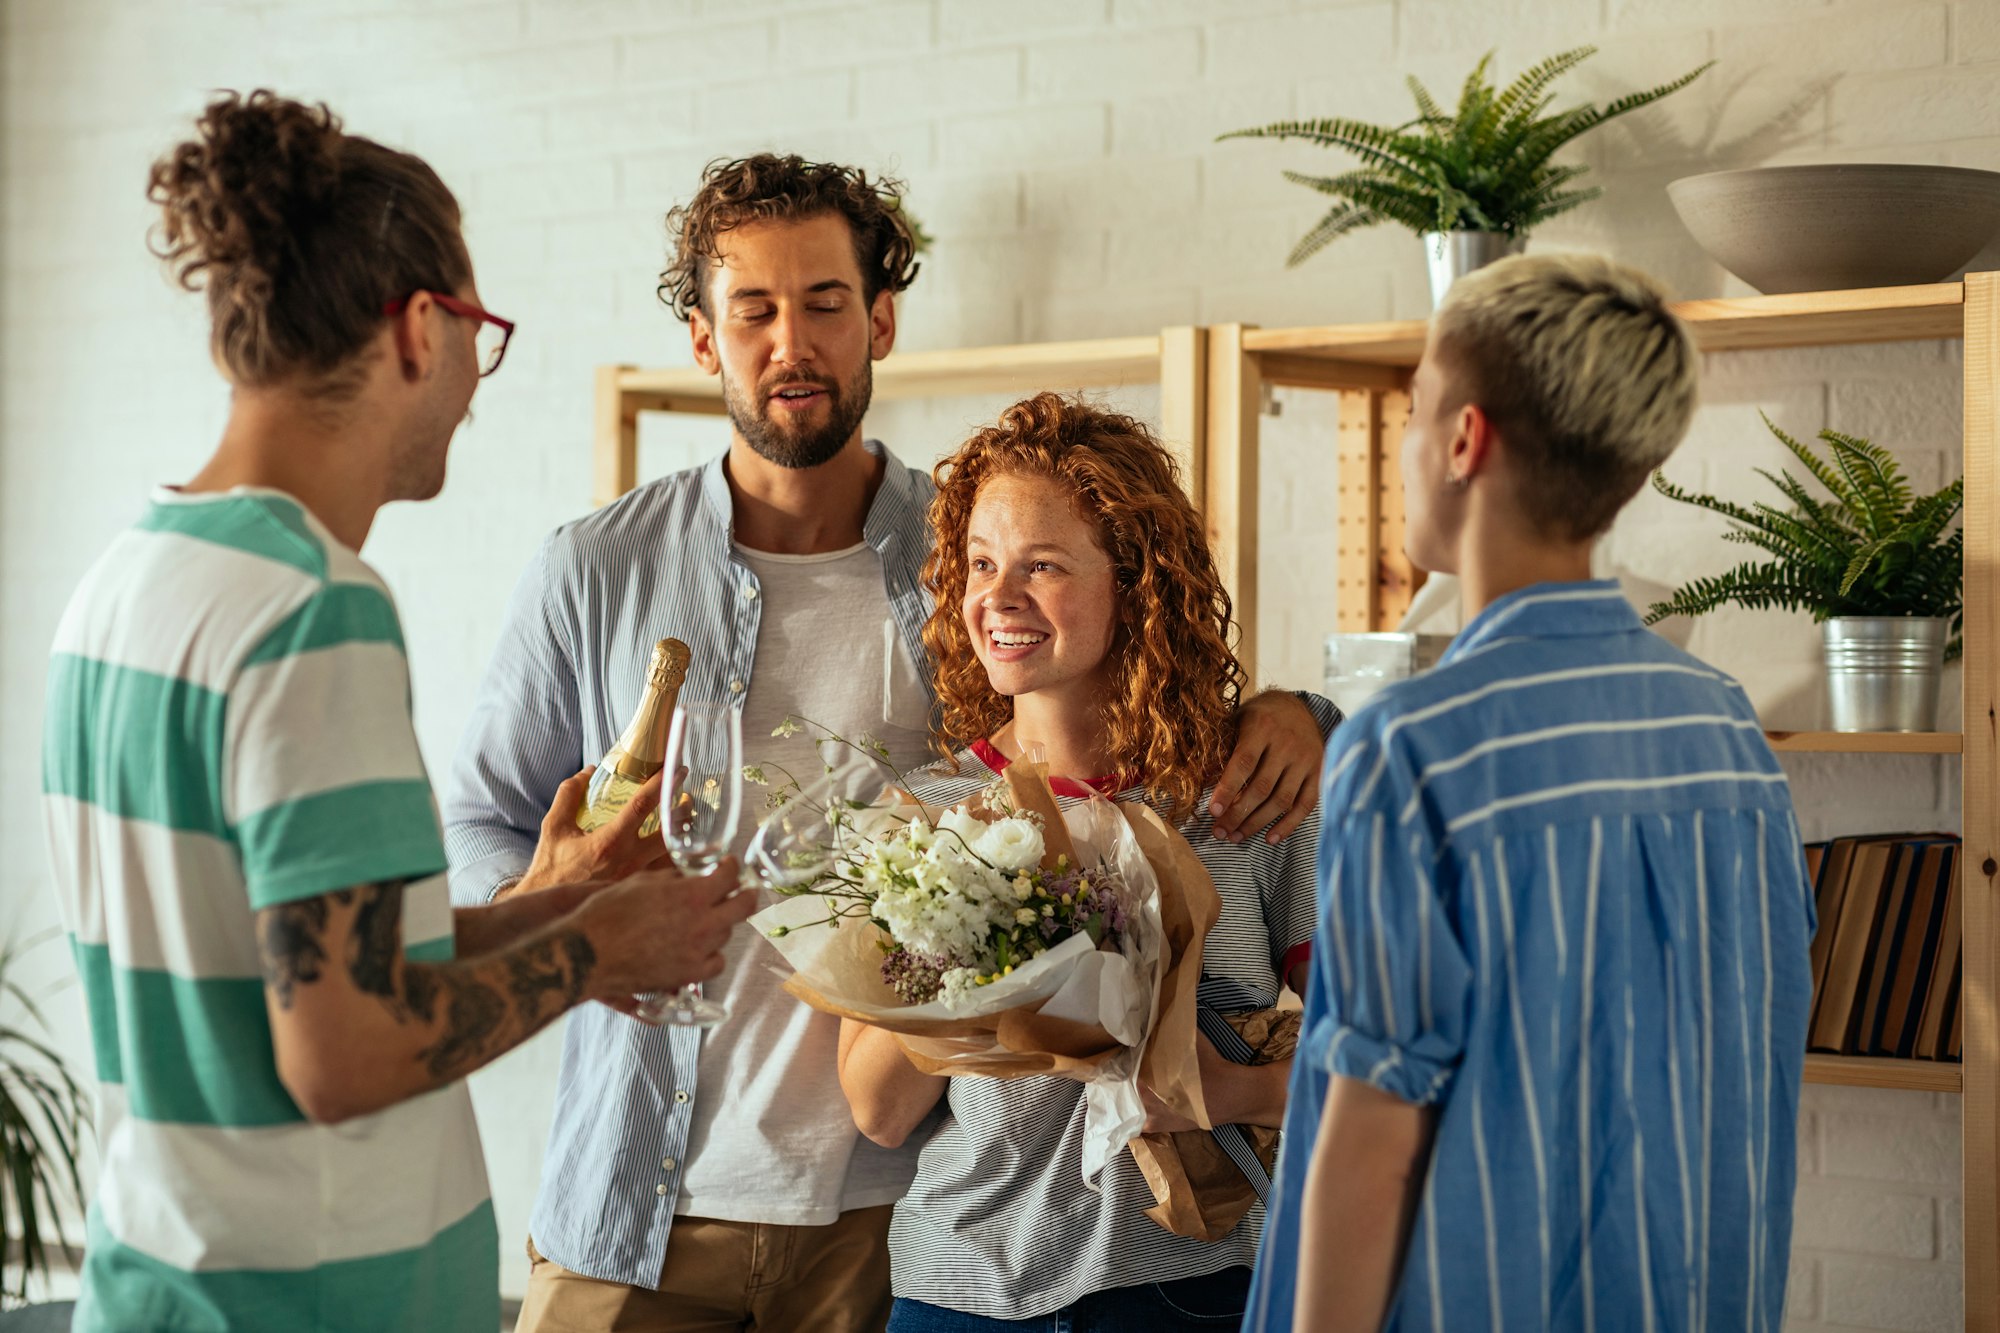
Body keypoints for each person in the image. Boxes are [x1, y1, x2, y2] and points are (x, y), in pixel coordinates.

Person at [442, 154, 1330, 1331]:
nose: (790, 341)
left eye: (823, 302)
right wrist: (574, 933)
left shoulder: (967, 536)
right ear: (704, 340)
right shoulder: (597, 568)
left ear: (880, 320)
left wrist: (1302, 714)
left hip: (894, 1210)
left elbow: (1133, 690)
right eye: (751, 309)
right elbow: (476, 819)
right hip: (641, 1194)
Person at [40, 90, 757, 1333]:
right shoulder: (315, 609)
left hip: (162, 1286)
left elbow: (283, 975)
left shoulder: (126, 582)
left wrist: (551, 907)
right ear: (423, 327)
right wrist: (605, 948)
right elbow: (348, 1055)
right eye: (481, 332)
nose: (476, 377)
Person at [1243, 253, 1815, 1333]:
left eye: (1412, 409)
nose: (1410, 444)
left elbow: (1370, 1132)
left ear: (1462, 440)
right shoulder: (1725, 729)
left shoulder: (1412, 748)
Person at [836, 392, 1341, 1331]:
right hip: (961, 1292)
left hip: (1189, 1288)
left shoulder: (1246, 800)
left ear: (1137, 583)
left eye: (1043, 566)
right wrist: (965, 948)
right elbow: (879, 1109)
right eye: (980, 565)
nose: (998, 597)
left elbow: (1384, 1055)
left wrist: (1231, 1090)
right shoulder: (933, 817)